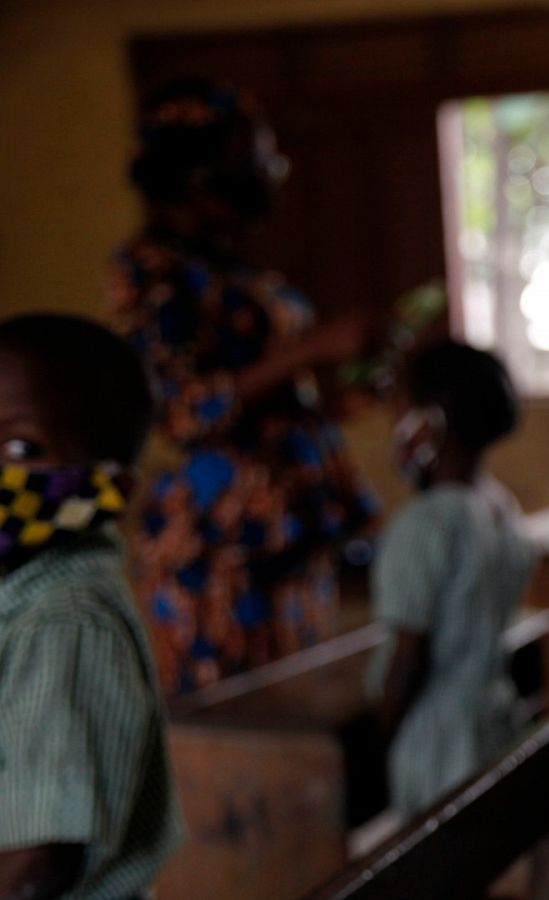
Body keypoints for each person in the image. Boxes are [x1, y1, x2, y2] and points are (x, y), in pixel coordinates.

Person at [109, 77, 379, 693]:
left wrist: (341, 398)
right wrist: (312, 347)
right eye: (258, 159)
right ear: (199, 173)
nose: (272, 173)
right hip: (220, 548)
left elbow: (272, 409)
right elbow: (179, 412)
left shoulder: (236, 268)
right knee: (242, 728)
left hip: (290, 530)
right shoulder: (150, 271)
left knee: (297, 710)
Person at [0, 315, 184, 899]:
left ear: (109, 489)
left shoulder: (65, 622)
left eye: (21, 448)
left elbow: (37, 866)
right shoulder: (24, 599)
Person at [367, 340, 538, 818]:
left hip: (437, 740)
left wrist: (382, 738)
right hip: (493, 721)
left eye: (401, 407)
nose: (394, 423)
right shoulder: (501, 507)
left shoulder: (424, 524)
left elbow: (408, 659)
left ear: (432, 422)